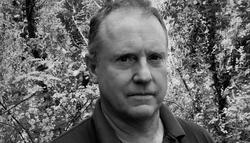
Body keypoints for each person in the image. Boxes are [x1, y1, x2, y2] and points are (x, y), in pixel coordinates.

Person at [51, 0, 215, 143]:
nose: (144, 76)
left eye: (154, 57)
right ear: (93, 68)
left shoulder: (199, 138)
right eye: (125, 59)